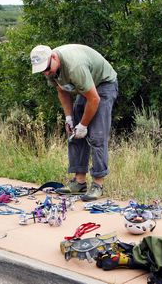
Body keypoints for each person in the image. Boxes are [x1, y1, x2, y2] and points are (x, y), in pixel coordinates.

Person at [30, 44, 118, 201]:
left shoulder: (74, 67)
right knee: (74, 133)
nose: (46, 72)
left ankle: (97, 184)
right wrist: (69, 118)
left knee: (97, 135)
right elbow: (62, 91)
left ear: (54, 58)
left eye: (47, 68)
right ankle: (79, 183)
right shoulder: (50, 69)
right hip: (85, 87)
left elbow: (94, 98)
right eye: (42, 70)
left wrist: (83, 125)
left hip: (103, 85)